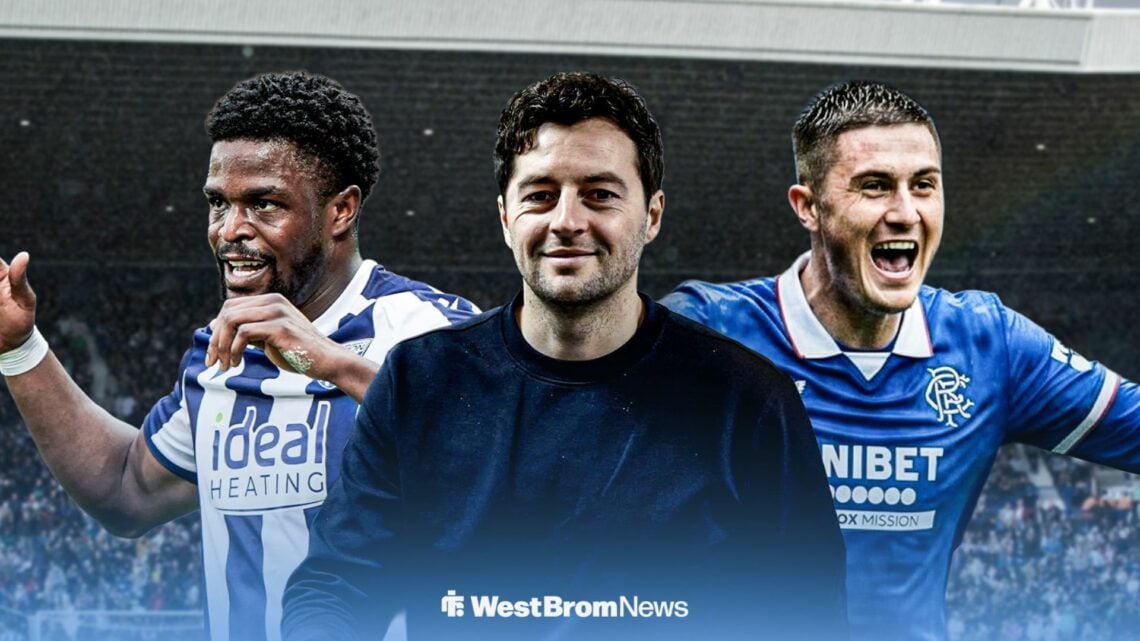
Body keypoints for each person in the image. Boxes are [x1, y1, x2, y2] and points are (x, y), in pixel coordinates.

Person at [281, 71, 847, 641]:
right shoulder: (419, 381)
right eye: (540, 195)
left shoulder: (747, 400)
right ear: (506, 217)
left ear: (651, 215)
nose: (567, 222)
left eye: (600, 195)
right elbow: (337, 586)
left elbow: (807, 613)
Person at [0, 71, 478, 641]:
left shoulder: (427, 327)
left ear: (341, 210)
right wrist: (19, 348)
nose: (230, 230)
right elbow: (127, 490)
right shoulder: (220, 351)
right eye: (218, 203)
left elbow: (505, 463)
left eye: (264, 204)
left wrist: (331, 363)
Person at [661, 80, 1139, 641]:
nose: (906, 213)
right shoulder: (711, 331)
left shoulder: (991, 346)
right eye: (875, 186)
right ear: (809, 207)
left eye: (924, 185)